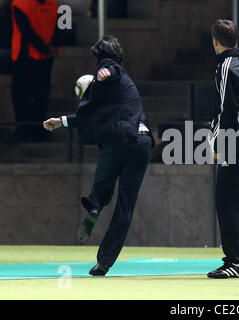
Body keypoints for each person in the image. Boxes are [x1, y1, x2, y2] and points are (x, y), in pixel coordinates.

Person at [43, 35, 155, 276]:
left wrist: (103, 72)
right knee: (125, 207)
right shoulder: (118, 90)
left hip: (120, 140)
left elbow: (109, 69)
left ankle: (95, 205)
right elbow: (86, 116)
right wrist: (61, 121)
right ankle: (104, 262)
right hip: (142, 142)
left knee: (103, 181)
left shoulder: (110, 71)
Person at [206, 19, 239, 279]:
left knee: (227, 202)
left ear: (215, 40)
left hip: (234, 141)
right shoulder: (238, 64)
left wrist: (219, 141)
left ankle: (234, 262)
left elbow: (227, 108)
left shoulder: (227, 66)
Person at [8, 0, 59, 144]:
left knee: (23, 96)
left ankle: (25, 131)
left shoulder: (20, 4)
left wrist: (45, 48)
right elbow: (59, 29)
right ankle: (37, 131)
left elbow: (26, 31)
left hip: (26, 56)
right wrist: (50, 48)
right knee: (40, 95)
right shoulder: (52, 5)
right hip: (42, 56)